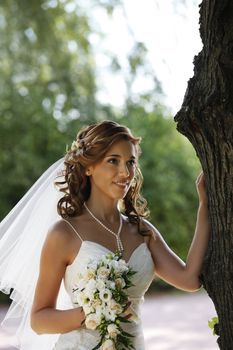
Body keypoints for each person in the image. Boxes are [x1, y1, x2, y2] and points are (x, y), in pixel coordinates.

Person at [0, 120, 210, 350]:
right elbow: (39, 320)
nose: (125, 172)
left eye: (130, 162)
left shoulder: (142, 230)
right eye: (113, 161)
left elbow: (190, 280)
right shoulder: (64, 233)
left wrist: (204, 207)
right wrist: (95, 311)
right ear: (88, 167)